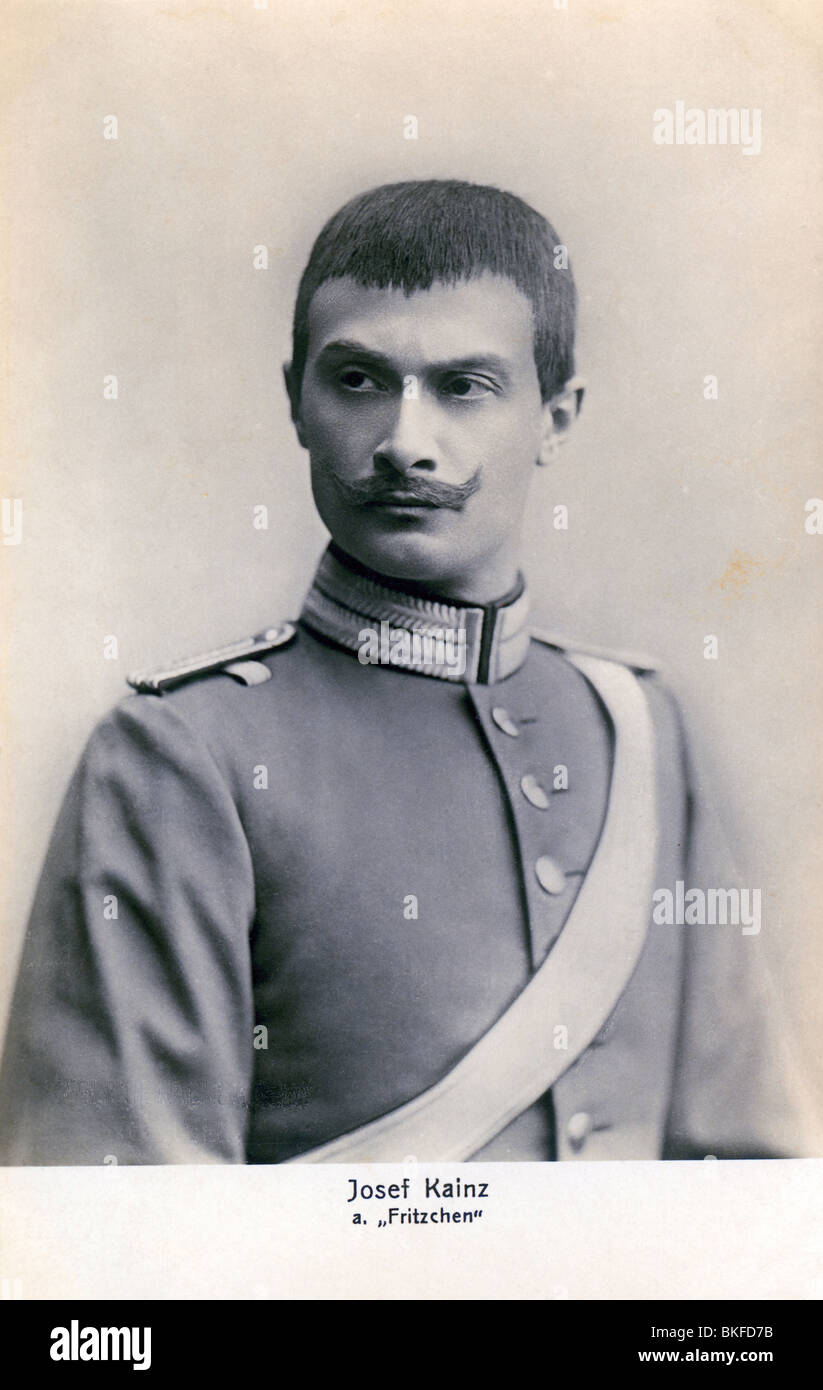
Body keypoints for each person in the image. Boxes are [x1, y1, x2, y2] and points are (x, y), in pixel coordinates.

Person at [0, 179, 817, 1165]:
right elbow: (120, 1238)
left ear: (556, 417)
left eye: (464, 387)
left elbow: (752, 1188)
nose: (403, 444)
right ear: (294, 399)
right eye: (357, 380)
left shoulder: (637, 728)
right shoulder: (178, 755)